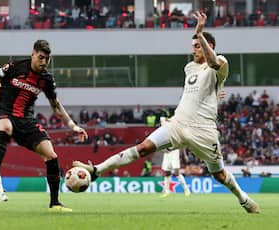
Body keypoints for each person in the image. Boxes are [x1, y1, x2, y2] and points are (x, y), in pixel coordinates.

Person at [73, 11, 260, 213]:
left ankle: (244, 199)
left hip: (203, 130)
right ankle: (95, 171)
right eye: (193, 46)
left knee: (219, 174)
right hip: (178, 124)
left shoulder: (221, 62)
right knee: (143, 148)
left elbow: (214, 65)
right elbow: (197, 93)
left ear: (210, 46)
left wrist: (199, 32)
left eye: (198, 45)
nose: (194, 50)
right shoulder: (189, 68)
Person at [0, 40, 88, 212]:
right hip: (4, 111)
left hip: (26, 121)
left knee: (51, 155)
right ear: (33, 54)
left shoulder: (46, 79)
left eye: (47, 59)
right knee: (5, 127)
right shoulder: (14, 67)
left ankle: (55, 203)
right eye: (41, 58)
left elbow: (56, 106)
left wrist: (73, 126)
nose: (43, 62)